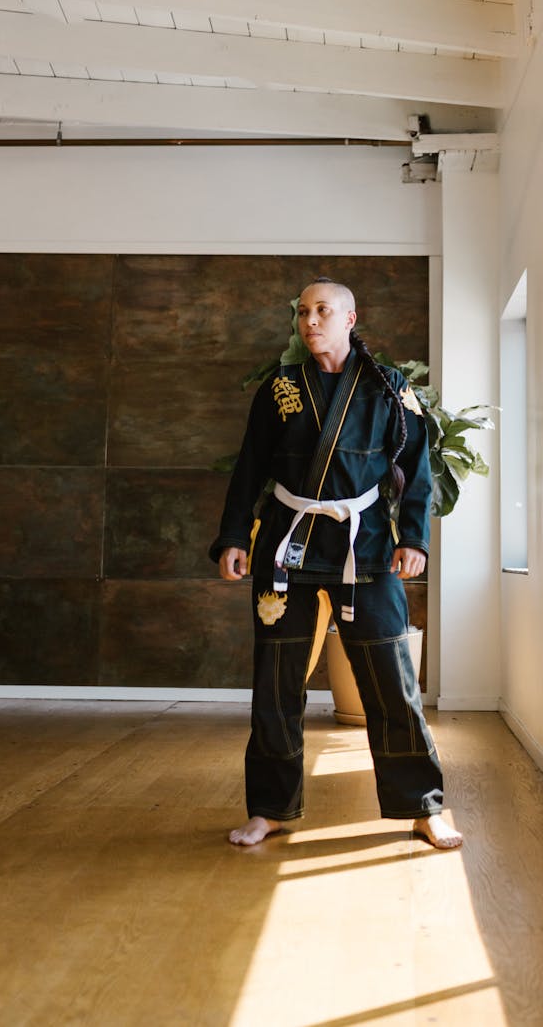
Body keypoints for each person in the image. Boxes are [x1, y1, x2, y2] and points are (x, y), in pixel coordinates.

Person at [209, 278, 462, 850]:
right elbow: (249, 467)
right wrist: (233, 537)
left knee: (393, 682)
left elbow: (417, 471)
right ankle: (270, 808)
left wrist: (414, 539)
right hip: (287, 546)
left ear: (351, 318)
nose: (310, 320)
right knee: (276, 684)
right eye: (303, 311)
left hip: (364, 546)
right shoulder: (280, 390)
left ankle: (423, 808)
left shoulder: (389, 389)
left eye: (323, 310)